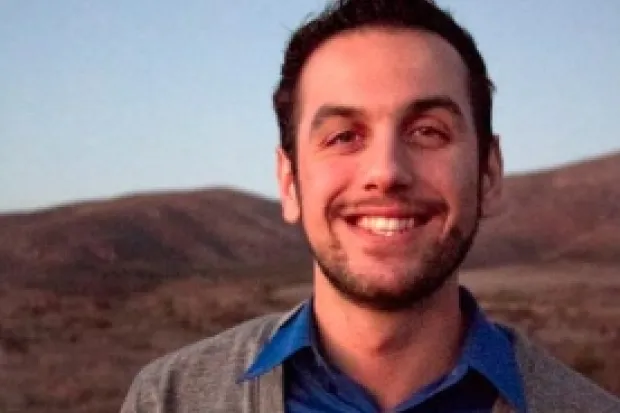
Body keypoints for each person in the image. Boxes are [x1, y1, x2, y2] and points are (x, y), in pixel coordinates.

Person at [120, 1, 620, 412]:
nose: (386, 171)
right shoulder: (170, 400)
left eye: (427, 132)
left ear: (488, 174)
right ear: (290, 182)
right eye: (343, 136)